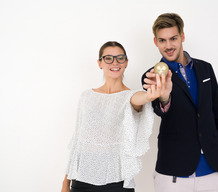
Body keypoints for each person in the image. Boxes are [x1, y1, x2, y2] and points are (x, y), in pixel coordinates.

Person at [142, 13, 218, 192]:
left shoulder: (205, 69)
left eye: (173, 38)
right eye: (162, 40)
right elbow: (160, 109)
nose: (168, 46)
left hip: (214, 172)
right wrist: (164, 96)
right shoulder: (152, 76)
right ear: (155, 42)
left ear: (182, 37)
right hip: (173, 174)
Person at [61, 41, 166, 192]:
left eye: (120, 58)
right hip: (81, 180)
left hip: (116, 183)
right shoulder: (86, 97)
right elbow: (77, 143)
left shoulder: (130, 96)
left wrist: (150, 96)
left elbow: (140, 99)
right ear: (100, 63)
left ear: (126, 62)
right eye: (108, 58)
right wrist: (66, 182)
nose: (114, 62)